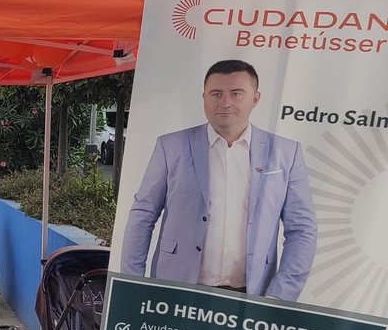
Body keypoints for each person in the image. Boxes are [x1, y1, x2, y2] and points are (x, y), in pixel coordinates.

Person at [120, 59, 317, 301]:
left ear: (255, 98)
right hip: (176, 290)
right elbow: (143, 213)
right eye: (216, 94)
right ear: (203, 97)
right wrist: (131, 283)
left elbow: (302, 230)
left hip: (254, 296)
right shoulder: (171, 146)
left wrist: (279, 297)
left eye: (236, 93)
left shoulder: (286, 153)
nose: (226, 103)